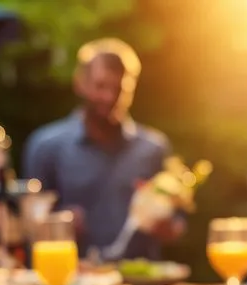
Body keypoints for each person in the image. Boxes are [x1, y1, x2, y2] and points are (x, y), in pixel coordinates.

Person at [23, 38, 184, 260]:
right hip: (74, 280)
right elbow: (29, 225)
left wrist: (167, 226)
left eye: (119, 89)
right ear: (80, 83)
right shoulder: (46, 147)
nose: (109, 97)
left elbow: (177, 224)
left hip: (139, 283)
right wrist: (60, 222)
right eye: (101, 86)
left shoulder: (154, 148)